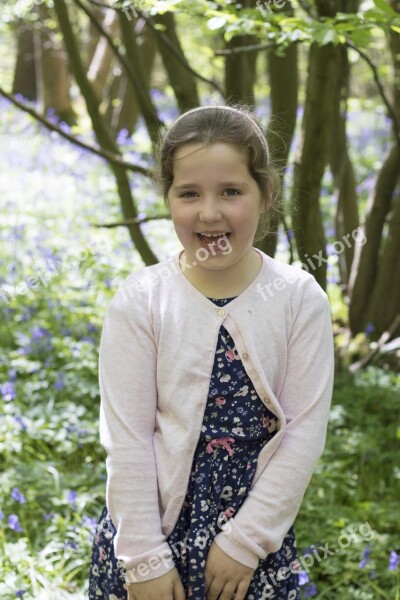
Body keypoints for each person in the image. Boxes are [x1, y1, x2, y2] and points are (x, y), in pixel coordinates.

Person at [88, 104, 335, 600]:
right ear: (168, 199)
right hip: (151, 534)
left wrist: (247, 541)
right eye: (189, 193)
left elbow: (303, 431)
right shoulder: (143, 300)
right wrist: (144, 560)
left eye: (231, 191)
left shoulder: (297, 298)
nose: (209, 212)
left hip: (251, 544)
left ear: (266, 195)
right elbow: (128, 437)